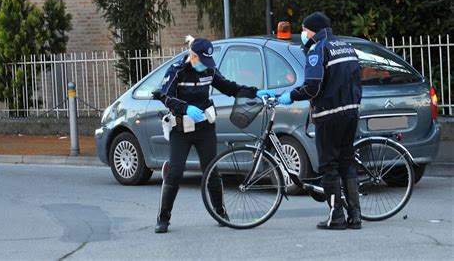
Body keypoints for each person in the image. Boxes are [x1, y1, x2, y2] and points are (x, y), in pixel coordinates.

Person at [153, 35, 274, 233]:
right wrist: (186, 108)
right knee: (175, 173)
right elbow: (165, 96)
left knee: (212, 171)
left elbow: (228, 87)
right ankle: (163, 218)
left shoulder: (209, 70)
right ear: (192, 56)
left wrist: (255, 92)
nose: (206, 65)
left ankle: (220, 212)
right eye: (202, 60)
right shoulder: (177, 71)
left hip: (204, 129)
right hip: (181, 129)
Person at [277, 12, 362, 230]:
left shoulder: (318, 49)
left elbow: (313, 86)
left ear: (313, 30)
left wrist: (292, 95)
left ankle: (336, 217)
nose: (303, 34)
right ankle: (355, 216)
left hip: (329, 113)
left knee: (329, 165)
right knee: (346, 162)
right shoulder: (346, 46)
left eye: (305, 30)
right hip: (351, 112)